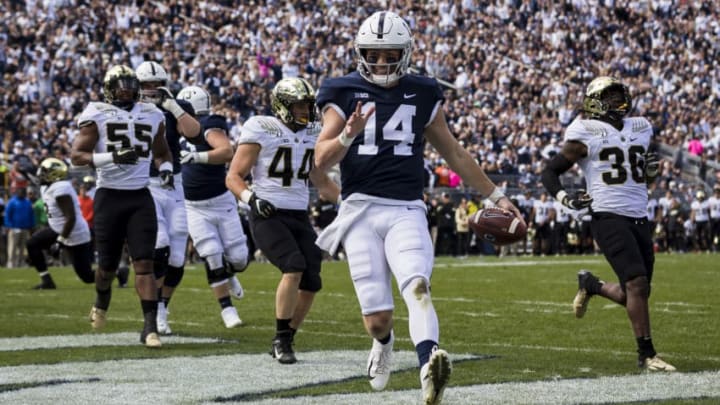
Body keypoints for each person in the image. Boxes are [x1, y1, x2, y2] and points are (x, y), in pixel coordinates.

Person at [313, 11, 522, 405]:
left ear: (405, 52)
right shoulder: (340, 91)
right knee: (378, 320)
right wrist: (346, 134)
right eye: (372, 55)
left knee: (418, 285)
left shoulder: (423, 91)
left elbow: (455, 153)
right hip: (359, 209)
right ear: (360, 54)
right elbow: (319, 161)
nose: (380, 62)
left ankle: (429, 367)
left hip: (407, 206)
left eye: (388, 53)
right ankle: (384, 344)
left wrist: (497, 196)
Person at [541, 76, 675, 371]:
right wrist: (565, 199)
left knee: (635, 293)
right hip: (607, 215)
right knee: (637, 283)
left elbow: (637, 175)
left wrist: (650, 174)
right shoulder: (584, 131)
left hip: (639, 214)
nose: (618, 102)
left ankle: (592, 285)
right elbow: (550, 172)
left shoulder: (641, 127)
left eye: (619, 96)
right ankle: (647, 354)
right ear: (595, 101)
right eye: (611, 97)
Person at [227, 77, 340, 365]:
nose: (306, 111)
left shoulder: (313, 132)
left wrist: (348, 204)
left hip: (298, 215)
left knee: (312, 280)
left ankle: (287, 336)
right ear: (282, 106)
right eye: (299, 105)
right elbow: (234, 176)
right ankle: (280, 338)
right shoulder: (262, 128)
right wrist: (252, 200)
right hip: (268, 212)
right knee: (294, 265)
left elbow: (318, 178)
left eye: (308, 105)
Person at [70, 64, 173, 348]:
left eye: (130, 84)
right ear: (109, 89)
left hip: (140, 196)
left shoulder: (153, 114)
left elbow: (163, 153)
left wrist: (165, 169)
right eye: (120, 85)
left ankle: (150, 327)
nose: (126, 89)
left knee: (144, 263)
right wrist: (112, 157)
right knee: (107, 266)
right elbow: (77, 155)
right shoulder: (97, 112)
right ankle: (102, 301)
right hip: (109, 196)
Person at [136, 61, 201, 335]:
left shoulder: (175, 107)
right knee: (159, 247)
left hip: (174, 184)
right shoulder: (132, 110)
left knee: (176, 256)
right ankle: (151, 313)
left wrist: (173, 107)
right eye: (146, 85)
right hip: (147, 182)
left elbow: (194, 133)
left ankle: (162, 307)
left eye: (156, 84)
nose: (151, 89)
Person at [176, 84, 248, 330]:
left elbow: (227, 151)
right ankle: (227, 309)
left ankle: (230, 273)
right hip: (192, 205)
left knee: (239, 259)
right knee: (211, 254)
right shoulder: (175, 127)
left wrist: (197, 157)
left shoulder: (209, 123)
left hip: (221, 200)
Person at [26, 158, 94, 289]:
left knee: (87, 277)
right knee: (32, 244)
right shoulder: (47, 186)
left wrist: (60, 242)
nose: (41, 173)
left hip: (74, 232)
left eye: (45, 171)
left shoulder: (61, 188)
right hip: (57, 229)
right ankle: (47, 281)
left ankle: (119, 273)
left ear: (55, 174)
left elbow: (71, 218)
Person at [4, 187, 34, 268]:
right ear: (17, 192)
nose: (22, 193)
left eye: (23, 192)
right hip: (14, 228)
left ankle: (20, 262)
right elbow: (7, 215)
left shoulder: (27, 202)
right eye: (20, 192)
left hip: (25, 228)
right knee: (12, 246)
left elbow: (31, 214)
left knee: (23, 247)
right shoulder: (12, 202)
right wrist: (9, 225)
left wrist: (31, 225)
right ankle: (11, 263)